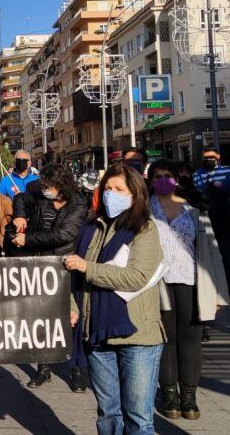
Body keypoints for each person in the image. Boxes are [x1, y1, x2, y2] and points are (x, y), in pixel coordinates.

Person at [65, 164, 165, 435]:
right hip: (96, 332)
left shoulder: (145, 229)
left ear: (135, 194)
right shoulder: (90, 228)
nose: (112, 194)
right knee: (108, 414)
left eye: (120, 189)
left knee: (138, 418)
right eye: (107, 189)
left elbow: (136, 277)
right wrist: (73, 308)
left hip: (137, 334)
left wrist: (88, 268)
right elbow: (73, 279)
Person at [147, 161, 229, 422]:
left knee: (191, 340)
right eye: (157, 177)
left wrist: (219, 292)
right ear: (150, 181)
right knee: (165, 340)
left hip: (191, 281)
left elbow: (212, 253)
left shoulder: (194, 210)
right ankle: (169, 394)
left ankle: (190, 396)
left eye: (167, 176)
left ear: (176, 179)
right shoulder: (143, 210)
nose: (162, 180)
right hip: (157, 284)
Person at [7, 164, 86, 390]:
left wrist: (27, 240)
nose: (45, 190)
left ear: (62, 185)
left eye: (49, 186)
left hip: (65, 264)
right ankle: (44, 368)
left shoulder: (77, 203)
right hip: (40, 263)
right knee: (41, 317)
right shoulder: (39, 192)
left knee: (71, 318)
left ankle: (77, 369)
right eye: (43, 186)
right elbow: (21, 198)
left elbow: (65, 234)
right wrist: (20, 216)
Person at [193, 147, 230, 303]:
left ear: (218, 157)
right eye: (206, 157)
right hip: (204, 219)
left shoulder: (227, 173)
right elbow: (195, 193)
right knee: (205, 256)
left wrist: (224, 203)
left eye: (212, 157)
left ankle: (229, 290)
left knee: (225, 255)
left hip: (223, 220)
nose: (209, 159)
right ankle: (209, 290)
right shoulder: (197, 174)